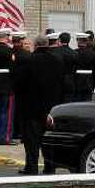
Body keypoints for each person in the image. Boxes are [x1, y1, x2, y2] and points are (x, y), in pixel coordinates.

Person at [16, 36, 64, 175]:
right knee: (49, 139)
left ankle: (31, 166)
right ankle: (50, 166)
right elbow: (62, 82)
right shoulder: (57, 61)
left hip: (31, 107)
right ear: (47, 44)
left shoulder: (28, 60)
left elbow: (20, 84)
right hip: (52, 108)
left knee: (31, 140)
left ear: (35, 45)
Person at [71, 33, 95, 101]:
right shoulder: (92, 53)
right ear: (86, 41)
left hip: (76, 83)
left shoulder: (74, 53)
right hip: (89, 82)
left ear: (79, 41)